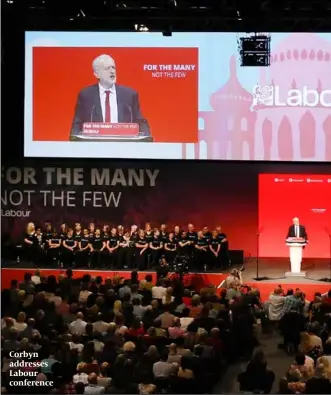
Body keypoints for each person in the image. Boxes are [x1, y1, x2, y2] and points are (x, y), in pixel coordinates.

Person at [70, 54, 151, 138]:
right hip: (94, 145)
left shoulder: (129, 95)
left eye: (113, 67)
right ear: (97, 74)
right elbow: (77, 123)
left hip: (123, 144)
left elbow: (140, 121)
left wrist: (146, 139)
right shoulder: (86, 95)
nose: (112, 71)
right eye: (107, 68)